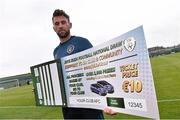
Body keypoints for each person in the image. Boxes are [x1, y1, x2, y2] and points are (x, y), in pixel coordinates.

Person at [52, 9, 116, 119]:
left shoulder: (82, 42)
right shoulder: (56, 51)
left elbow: (99, 69)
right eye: (57, 23)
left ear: (70, 24)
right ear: (54, 28)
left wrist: (108, 101)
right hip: (69, 107)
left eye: (63, 22)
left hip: (89, 106)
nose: (60, 26)